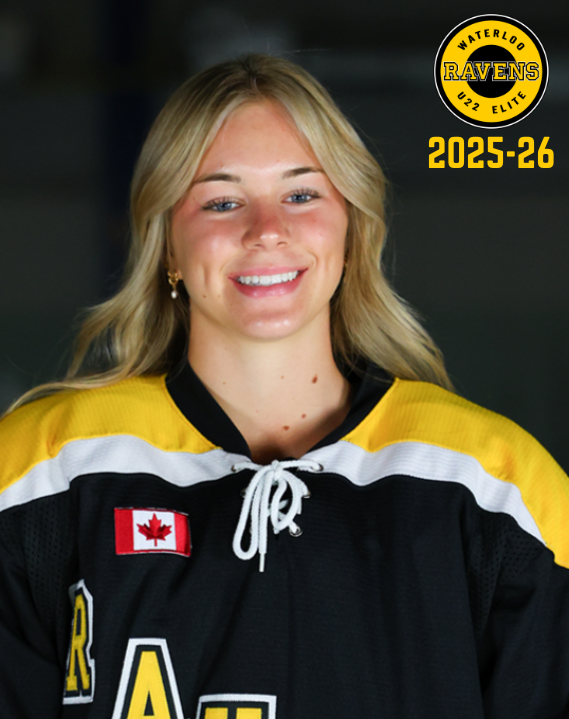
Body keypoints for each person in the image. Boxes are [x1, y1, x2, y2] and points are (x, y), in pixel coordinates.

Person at [0, 54, 568, 719]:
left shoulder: (500, 487)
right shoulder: (39, 471)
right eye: (222, 201)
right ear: (166, 246)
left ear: (351, 226)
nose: (267, 229)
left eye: (301, 195)